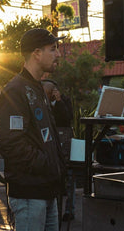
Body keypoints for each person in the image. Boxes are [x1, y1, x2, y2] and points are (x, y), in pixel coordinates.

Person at [0, 28, 66, 231]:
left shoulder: (38, 88)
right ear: (36, 53)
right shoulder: (15, 91)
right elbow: (10, 142)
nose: (58, 54)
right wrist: (45, 164)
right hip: (29, 195)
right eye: (53, 49)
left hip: (46, 191)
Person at [42, 79, 75, 222]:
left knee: (69, 176)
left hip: (64, 139)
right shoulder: (41, 102)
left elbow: (68, 118)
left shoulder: (64, 101)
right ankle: (52, 208)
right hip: (48, 140)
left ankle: (69, 210)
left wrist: (59, 101)